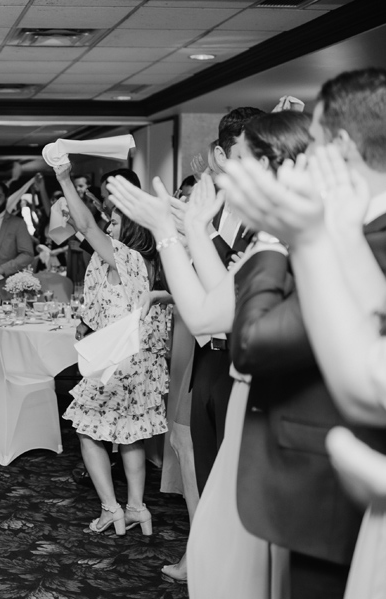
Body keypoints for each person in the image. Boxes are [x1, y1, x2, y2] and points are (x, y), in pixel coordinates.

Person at [109, 108, 311, 596]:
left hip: (276, 398)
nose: (234, 174)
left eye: (251, 160)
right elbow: (209, 307)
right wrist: (186, 231)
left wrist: (178, 232)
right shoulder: (271, 233)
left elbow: (215, 311)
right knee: (228, 518)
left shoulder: (297, 236)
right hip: (237, 377)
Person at [218, 67, 386, 599]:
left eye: (312, 140)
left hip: (333, 491)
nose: (305, 155)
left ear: (337, 145)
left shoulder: (368, 235)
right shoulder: (350, 225)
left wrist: (292, 238)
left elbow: (366, 386)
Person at [53, 161, 168, 537]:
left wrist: (64, 178)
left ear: (130, 228)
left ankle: (111, 509)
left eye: (115, 223)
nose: (108, 228)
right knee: (130, 434)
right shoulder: (151, 262)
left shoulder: (123, 257)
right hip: (142, 361)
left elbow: (86, 226)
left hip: (116, 360)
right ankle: (138, 508)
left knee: (87, 431)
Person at [0, 181, 35, 300]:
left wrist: (4, 268)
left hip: (4, 285)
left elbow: (27, 254)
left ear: (6, 198)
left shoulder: (17, 224)